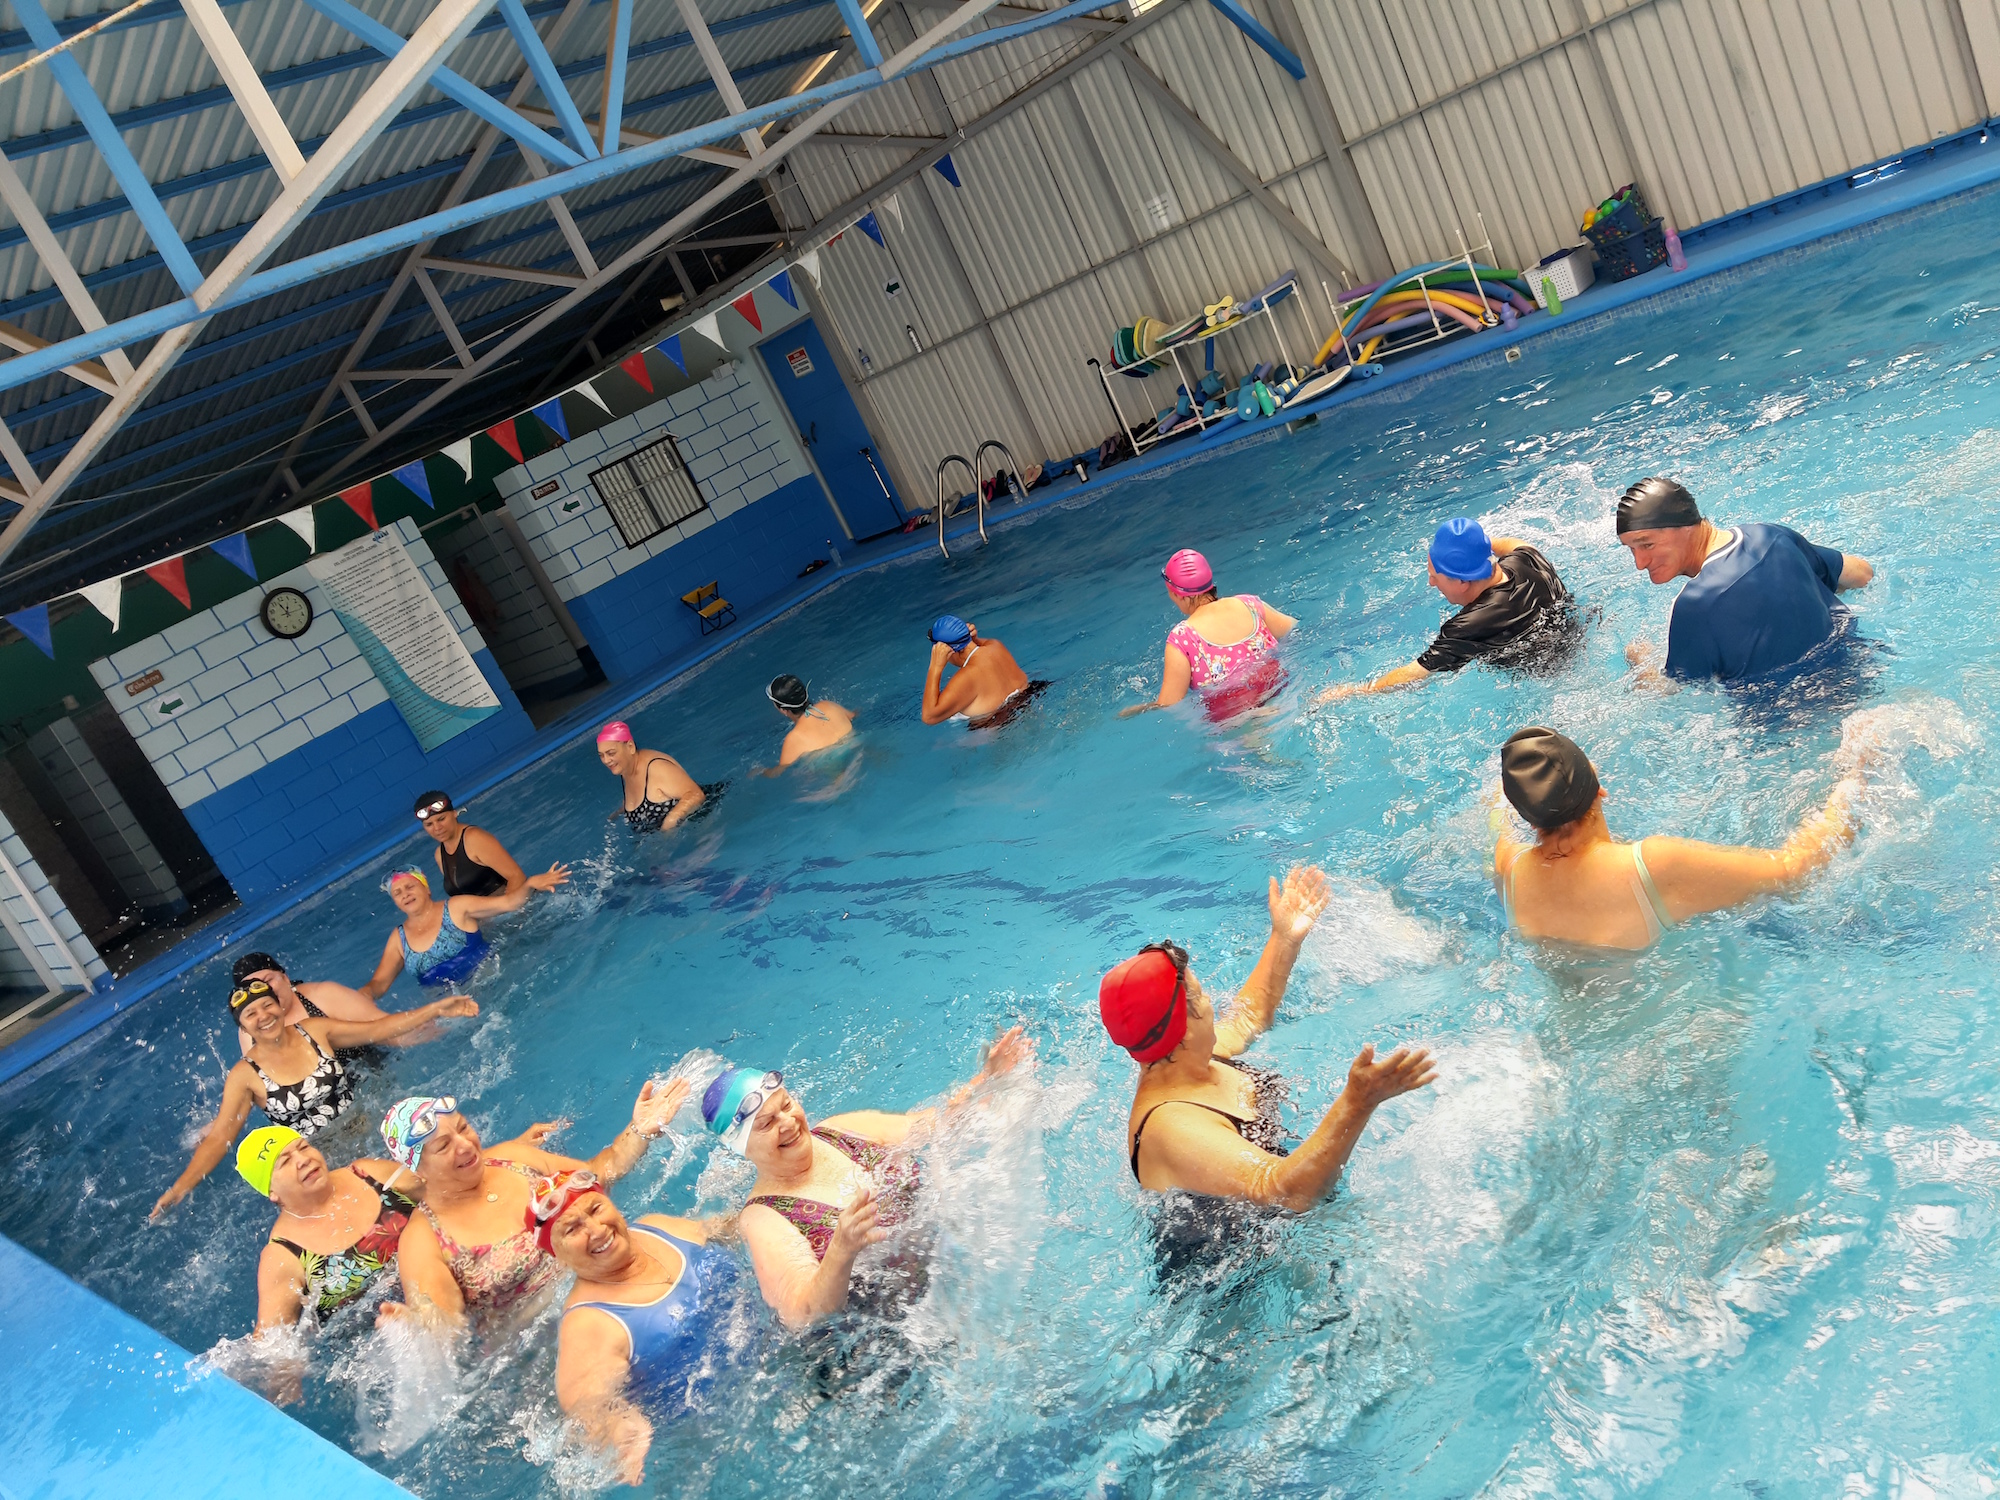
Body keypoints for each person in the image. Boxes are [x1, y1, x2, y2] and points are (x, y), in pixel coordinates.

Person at [1100, 865, 1435, 1212]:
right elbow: (1284, 1193)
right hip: (1251, 1262)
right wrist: (1357, 1102)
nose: (1211, 1000)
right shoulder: (1172, 1128)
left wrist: (1285, 937)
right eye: (1200, 995)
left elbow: (1249, 1015)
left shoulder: (1184, 1057)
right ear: (1183, 1030)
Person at [707, 1028, 1032, 1328]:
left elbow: (938, 1126)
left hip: (950, 1282)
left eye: (787, 1105)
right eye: (766, 1123)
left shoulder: (842, 1130)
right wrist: (841, 1250)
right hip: (883, 1339)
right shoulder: (763, 1218)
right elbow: (800, 1312)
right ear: (741, 1147)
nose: (788, 1122)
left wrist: (989, 1079)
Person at [1492, 725, 1867, 949]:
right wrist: (1857, 778)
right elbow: (1793, 871)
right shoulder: (1651, 867)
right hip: (1677, 1061)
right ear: (1599, 789)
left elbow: (1495, 815)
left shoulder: (1510, 871)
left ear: (1529, 820)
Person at [151, 980, 479, 1219]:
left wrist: (435, 1008)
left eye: (267, 1005)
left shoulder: (315, 1031)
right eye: (251, 1013)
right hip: (326, 1161)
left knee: (431, 1189)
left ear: (281, 1007)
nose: (263, 1015)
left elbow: (378, 1028)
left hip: (370, 1125)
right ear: (242, 1024)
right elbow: (221, 1136)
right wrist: (181, 1187)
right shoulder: (245, 1075)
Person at [380, 1081, 687, 1329]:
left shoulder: (513, 1158)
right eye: (443, 1146)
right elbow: (446, 1324)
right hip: (546, 1337)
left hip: (609, 1278)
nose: (465, 1145)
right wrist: (416, 1330)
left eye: (462, 1128)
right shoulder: (423, 1239)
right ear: (417, 1170)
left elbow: (596, 1175)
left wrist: (639, 1129)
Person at [536, 1173, 741, 1485]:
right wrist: (615, 1423)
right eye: (572, 1229)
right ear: (558, 1256)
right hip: (723, 1432)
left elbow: (726, 1228)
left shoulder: (658, 1227)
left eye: (595, 1210)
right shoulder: (588, 1323)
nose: (596, 1230)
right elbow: (584, 1401)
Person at [1616, 476, 1873, 684]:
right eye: (1631, 550)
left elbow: (1669, 697)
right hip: (1860, 672)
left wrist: (1641, 661)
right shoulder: (1773, 536)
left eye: (1647, 545)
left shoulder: (1694, 604)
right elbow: (1862, 574)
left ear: (1685, 527)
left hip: (1785, 728)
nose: (1640, 563)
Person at [1316, 519, 1574, 701]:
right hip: (1575, 643)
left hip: (1547, 686)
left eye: (1434, 575)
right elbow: (1515, 543)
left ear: (1461, 582)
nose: (1430, 583)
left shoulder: (1469, 625)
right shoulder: (1528, 560)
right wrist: (1475, 545)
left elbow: (1415, 673)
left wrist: (1357, 691)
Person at [238, 1125, 421, 1335]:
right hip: (387, 1338)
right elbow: (272, 1344)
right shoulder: (283, 1255)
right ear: (272, 1192)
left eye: (304, 1147)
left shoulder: (370, 1174)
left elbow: (446, 1191)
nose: (303, 1159)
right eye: (285, 1161)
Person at [1122, 548, 1297, 719]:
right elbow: (1294, 629)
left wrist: (1141, 709)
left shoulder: (1182, 638)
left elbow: (1170, 704)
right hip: (1283, 694)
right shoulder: (1250, 605)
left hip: (1237, 720)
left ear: (1181, 596)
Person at [360, 861, 567, 998]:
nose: (405, 894)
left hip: (495, 985)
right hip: (452, 1011)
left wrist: (530, 883)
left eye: (410, 886)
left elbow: (508, 904)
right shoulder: (398, 938)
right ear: (395, 902)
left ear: (427, 888)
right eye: (397, 893)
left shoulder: (457, 907)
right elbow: (379, 983)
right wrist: (360, 997)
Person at [228, 951, 388, 1057]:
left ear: (285, 978)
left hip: (370, 1079)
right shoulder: (251, 1028)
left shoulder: (323, 996)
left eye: (268, 980)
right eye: (254, 989)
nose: (265, 991)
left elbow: (389, 1030)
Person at [920, 615, 1045, 729]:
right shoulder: (995, 646)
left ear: (946, 652)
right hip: (1030, 700)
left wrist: (935, 667)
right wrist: (974, 639)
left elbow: (929, 716)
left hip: (997, 726)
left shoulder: (967, 677)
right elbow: (978, 647)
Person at [596, 721, 721, 832]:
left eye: (611, 753)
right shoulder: (626, 769)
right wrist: (619, 812)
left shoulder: (657, 768)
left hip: (704, 823)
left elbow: (695, 795)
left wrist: (670, 822)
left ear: (630, 747)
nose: (606, 760)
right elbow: (638, 798)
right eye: (601, 755)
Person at [413, 790, 526, 898]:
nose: (437, 828)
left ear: (454, 814)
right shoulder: (439, 854)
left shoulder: (474, 838)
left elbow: (516, 876)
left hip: (517, 910)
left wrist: (507, 909)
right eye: (429, 825)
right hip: (489, 915)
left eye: (441, 819)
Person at [758, 675, 855, 773]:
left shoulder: (794, 738)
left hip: (837, 773)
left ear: (783, 710)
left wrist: (761, 771)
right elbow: (853, 716)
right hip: (857, 748)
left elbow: (779, 771)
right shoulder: (828, 705)